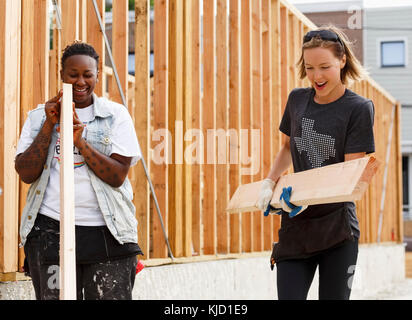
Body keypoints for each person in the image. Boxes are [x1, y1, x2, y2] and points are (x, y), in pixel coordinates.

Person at [15, 42, 143, 300]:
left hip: (108, 233)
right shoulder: (39, 117)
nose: (81, 81)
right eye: (73, 74)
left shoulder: (115, 116)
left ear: (97, 75)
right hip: (50, 232)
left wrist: (80, 143)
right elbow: (26, 173)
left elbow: (118, 176)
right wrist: (49, 126)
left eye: (88, 74)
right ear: (62, 74)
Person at [257, 26, 375, 300]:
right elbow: (287, 147)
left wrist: (307, 197)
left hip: (337, 231)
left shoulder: (357, 109)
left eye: (325, 66)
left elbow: (350, 176)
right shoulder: (297, 100)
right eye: (309, 68)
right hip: (296, 229)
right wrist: (269, 183)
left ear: (342, 60)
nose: (316, 76)